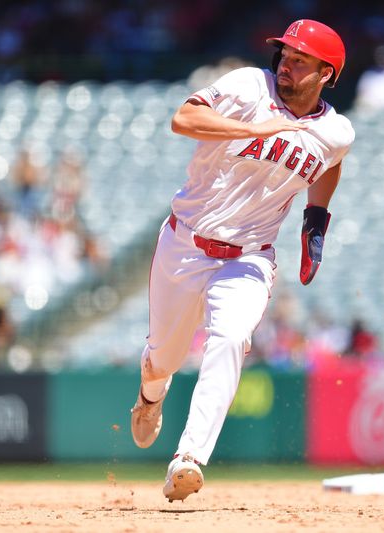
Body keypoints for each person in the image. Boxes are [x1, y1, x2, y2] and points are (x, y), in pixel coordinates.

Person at [129, 19, 354, 502]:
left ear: (326, 74)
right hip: (184, 244)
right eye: (286, 53)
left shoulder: (337, 131)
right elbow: (182, 120)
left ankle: (187, 459)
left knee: (230, 339)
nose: (286, 63)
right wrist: (255, 127)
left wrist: (316, 218)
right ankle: (151, 395)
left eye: (300, 59)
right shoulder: (248, 85)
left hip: (249, 258)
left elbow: (331, 164)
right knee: (163, 358)